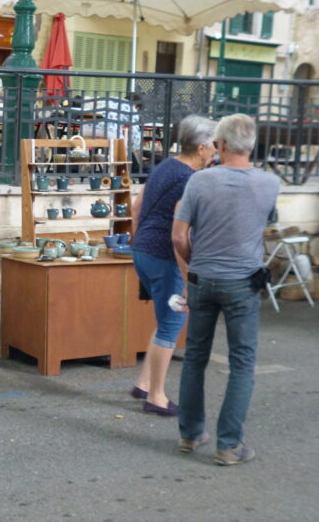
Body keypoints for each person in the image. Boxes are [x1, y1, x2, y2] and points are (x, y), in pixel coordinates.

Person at [172, 113, 280, 465]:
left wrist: (194, 262)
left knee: (195, 359)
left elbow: (178, 235)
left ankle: (190, 434)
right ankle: (229, 445)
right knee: (242, 363)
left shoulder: (200, 182)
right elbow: (266, 225)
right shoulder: (270, 184)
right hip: (243, 283)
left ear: (220, 145)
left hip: (202, 280)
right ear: (251, 146)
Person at [129, 115, 217, 417]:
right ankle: (156, 397)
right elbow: (179, 234)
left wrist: (138, 241)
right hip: (165, 258)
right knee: (171, 322)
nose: (216, 151)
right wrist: (186, 273)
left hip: (143, 251)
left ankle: (143, 383)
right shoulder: (190, 178)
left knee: (165, 319)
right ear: (202, 146)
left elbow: (136, 206)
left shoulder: (166, 165)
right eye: (215, 146)